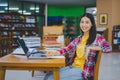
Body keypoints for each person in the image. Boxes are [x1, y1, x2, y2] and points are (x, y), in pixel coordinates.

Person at [44, 13, 112, 80]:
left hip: (82, 71)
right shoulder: (78, 38)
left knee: (50, 78)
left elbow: (108, 48)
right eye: (82, 22)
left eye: (87, 22)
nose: (84, 25)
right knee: (47, 75)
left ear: (92, 24)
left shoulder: (97, 38)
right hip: (72, 67)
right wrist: (55, 52)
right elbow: (67, 49)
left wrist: (90, 48)